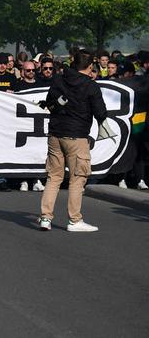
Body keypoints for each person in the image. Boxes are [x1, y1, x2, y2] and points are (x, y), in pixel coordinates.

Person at [38, 53, 106, 232]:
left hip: (55, 133)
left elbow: (49, 103)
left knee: (54, 177)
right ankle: (75, 220)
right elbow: (101, 113)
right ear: (90, 66)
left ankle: (45, 218)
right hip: (77, 136)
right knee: (77, 179)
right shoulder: (91, 86)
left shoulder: (58, 80)